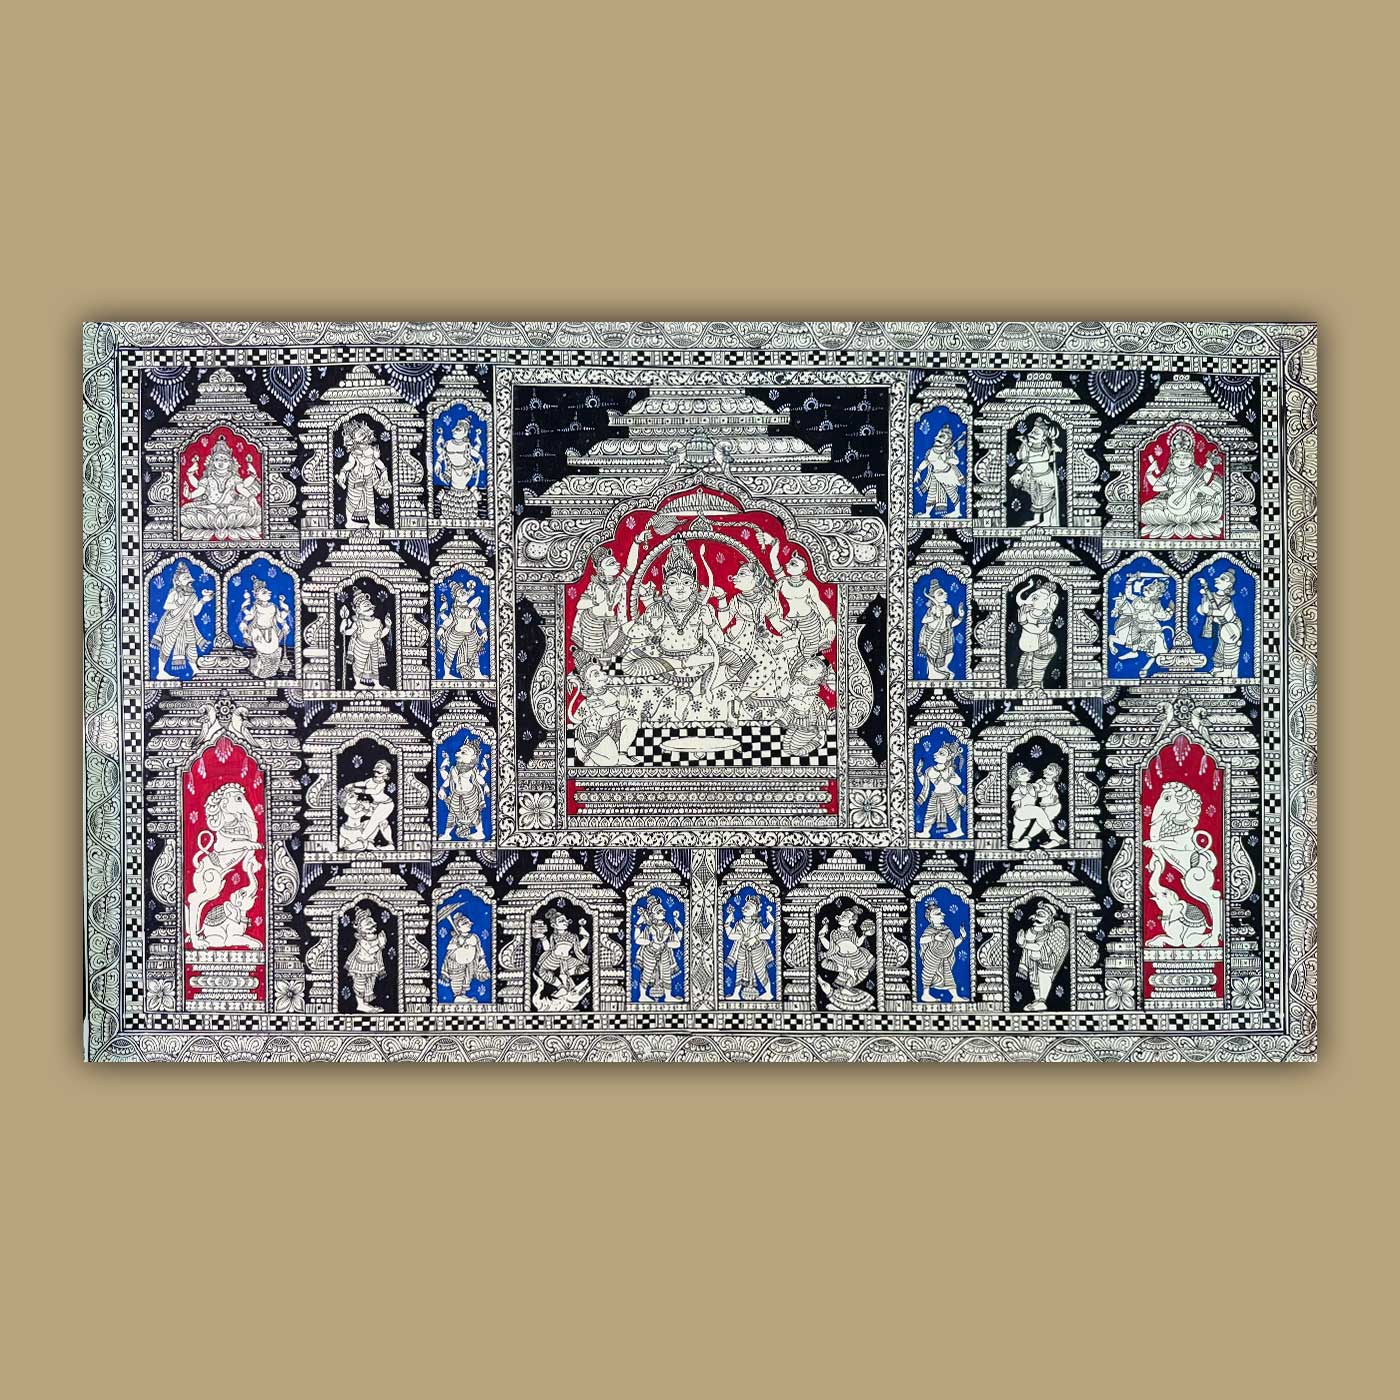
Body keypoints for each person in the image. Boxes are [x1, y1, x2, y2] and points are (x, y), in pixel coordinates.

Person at [1141, 425, 1224, 537]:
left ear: (1192, 460)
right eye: (1178, 457)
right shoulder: (1170, 476)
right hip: (1172, 504)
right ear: (1172, 459)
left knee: (1209, 507)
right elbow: (1155, 487)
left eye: (1186, 457)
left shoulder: (1194, 475)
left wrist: (1215, 494)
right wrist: (1167, 486)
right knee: (1146, 509)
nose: (1182, 461)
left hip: (1193, 505)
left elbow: (1202, 487)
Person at [181, 434, 260, 537]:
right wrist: (190, 495)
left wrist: (250, 497)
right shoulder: (209, 478)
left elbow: (241, 488)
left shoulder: (234, 478)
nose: (221, 462)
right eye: (217, 459)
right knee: (185, 510)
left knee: (256, 510)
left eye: (224, 460)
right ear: (212, 462)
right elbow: (200, 490)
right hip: (211, 508)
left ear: (230, 463)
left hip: (231, 508)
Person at [571, 660, 637, 766]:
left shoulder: (610, 692)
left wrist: (623, 700)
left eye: (601, 671)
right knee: (612, 761)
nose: (603, 673)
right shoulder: (591, 698)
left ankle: (622, 755)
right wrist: (620, 706)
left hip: (608, 729)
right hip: (592, 735)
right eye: (596, 674)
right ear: (588, 683)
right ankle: (584, 750)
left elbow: (616, 713)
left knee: (631, 723)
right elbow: (603, 712)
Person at [152, 562, 212, 679]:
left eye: (190, 579)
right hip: (173, 622)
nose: (190, 581)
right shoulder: (174, 593)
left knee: (191, 646)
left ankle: (195, 669)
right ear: (178, 582)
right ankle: (161, 672)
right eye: (186, 579)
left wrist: (203, 601)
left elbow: (195, 612)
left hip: (187, 623)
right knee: (167, 646)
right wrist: (179, 604)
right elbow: (166, 606)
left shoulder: (193, 596)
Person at [1109, 574, 1173, 677]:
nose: (1146, 588)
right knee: (1131, 629)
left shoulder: (1155, 605)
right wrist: (1130, 581)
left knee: (1156, 653)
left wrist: (1169, 611)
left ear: (1156, 594)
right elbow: (1129, 595)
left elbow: (1163, 616)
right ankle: (1133, 651)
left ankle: (1146, 666)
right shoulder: (1137, 599)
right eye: (1147, 587)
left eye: (1151, 589)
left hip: (1151, 628)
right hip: (1136, 623)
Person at [818, 907, 876, 1011]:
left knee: (863, 971)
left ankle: (848, 986)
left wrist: (864, 935)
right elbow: (830, 947)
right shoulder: (834, 933)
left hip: (856, 957)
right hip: (841, 958)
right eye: (841, 916)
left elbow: (857, 943)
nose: (841, 917)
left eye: (845, 916)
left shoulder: (852, 932)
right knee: (842, 975)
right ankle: (844, 991)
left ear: (852, 921)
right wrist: (822, 937)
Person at [337, 419, 392, 527]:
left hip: (369, 479)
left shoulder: (373, 450)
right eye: (360, 439)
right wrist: (343, 472)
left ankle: (372, 523)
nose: (364, 441)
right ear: (354, 441)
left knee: (370, 502)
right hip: (356, 479)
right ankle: (349, 522)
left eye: (365, 437)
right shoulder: (354, 453)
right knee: (353, 500)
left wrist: (384, 471)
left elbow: (377, 462)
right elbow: (350, 464)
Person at [532, 910, 590, 1010]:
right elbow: (548, 949)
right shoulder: (553, 936)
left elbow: (578, 948)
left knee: (585, 967)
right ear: (554, 925)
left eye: (565, 920)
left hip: (567, 959)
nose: (565, 922)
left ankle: (566, 974)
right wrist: (543, 938)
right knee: (543, 972)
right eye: (561, 921)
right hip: (554, 958)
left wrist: (586, 937)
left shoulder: (573, 936)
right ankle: (561, 987)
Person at [1017, 901, 1068, 1011]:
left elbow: (1037, 946)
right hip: (1033, 961)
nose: (1036, 917)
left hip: (1046, 961)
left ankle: (1042, 1000)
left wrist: (1024, 944)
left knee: (1043, 980)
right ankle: (1037, 1000)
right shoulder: (1032, 930)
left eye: (1041, 915)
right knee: (1034, 981)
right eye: (1037, 914)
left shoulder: (1046, 933)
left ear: (1048, 920)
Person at [1009, 416, 1060, 527]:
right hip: (1034, 479)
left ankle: (1046, 521)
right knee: (1036, 501)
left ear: (1044, 437)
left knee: (1046, 500)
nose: (1031, 434)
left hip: (1045, 479)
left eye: (1036, 433)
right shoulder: (1028, 447)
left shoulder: (1046, 448)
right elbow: (1023, 460)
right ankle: (1036, 519)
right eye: (1032, 432)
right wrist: (1018, 473)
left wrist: (1056, 449)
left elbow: (1044, 458)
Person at [239, 575, 292, 679]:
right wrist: (244, 632)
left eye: (267, 591)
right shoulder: (256, 607)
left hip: (272, 632)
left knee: (274, 654)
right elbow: (247, 619)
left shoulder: (273, 606)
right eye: (264, 592)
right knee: (263, 653)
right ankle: (259, 670)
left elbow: (279, 619)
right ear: (257, 596)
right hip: (258, 633)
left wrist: (285, 625)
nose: (268, 593)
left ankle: (269, 672)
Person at [339, 588, 392, 690]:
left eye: (369, 605)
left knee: (374, 668)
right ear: (358, 610)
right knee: (359, 666)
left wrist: (388, 627)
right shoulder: (357, 623)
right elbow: (349, 632)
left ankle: (377, 685)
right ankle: (358, 684)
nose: (369, 607)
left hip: (374, 647)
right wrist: (343, 629)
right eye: (365, 606)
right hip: (360, 647)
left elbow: (380, 635)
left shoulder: (377, 622)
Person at [725, 895, 774, 1001]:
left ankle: (769, 993)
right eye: (744, 906)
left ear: (755, 911)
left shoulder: (757, 925)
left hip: (757, 951)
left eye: (748, 907)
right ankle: (736, 994)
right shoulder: (739, 924)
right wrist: (727, 925)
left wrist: (755, 938)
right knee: (739, 972)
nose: (744, 908)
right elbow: (731, 936)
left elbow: (767, 935)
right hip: (742, 951)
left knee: (761, 972)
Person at [339, 758, 396, 850]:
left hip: (385, 804)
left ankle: (361, 841)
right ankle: (388, 844)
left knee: (374, 821)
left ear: (386, 771)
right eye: (377, 767)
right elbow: (364, 783)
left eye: (381, 768)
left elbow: (374, 791)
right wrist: (352, 784)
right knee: (382, 822)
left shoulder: (382, 783)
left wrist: (357, 790)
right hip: (376, 804)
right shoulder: (370, 780)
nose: (378, 769)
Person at [634, 895, 682, 1002]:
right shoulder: (649, 928)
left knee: (666, 974)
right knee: (647, 973)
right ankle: (642, 996)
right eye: (659, 911)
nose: (663, 912)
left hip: (664, 952)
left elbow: (677, 942)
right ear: (653, 915)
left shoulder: (668, 927)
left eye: (663, 910)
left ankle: (668, 996)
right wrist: (646, 939)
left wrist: (669, 944)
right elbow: (638, 940)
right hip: (650, 952)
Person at [1196, 569, 1243, 677]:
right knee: (1219, 648)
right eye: (1218, 578)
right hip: (1219, 627)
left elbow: (1220, 612)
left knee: (1229, 648)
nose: (1217, 579)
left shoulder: (1227, 599)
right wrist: (1204, 597)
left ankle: (1227, 671)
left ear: (1229, 585)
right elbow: (1203, 609)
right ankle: (1218, 668)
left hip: (1232, 627)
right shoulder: (1211, 595)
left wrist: (1209, 612)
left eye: (1222, 579)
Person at [437, 580, 488, 680]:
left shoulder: (473, 609)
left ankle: (477, 674)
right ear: (456, 598)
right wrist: (442, 629)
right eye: (461, 593)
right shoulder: (455, 609)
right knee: (450, 654)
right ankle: (446, 675)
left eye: (464, 592)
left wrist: (484, 632)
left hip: (471, 635)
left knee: (474, 655)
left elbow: (479, 618)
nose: (464, 593)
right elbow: (449, 621)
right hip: (456, 635)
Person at [914, 421, 965, 519]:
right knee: (931, 495)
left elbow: (956, 461)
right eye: (938, 436)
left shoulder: (948, 451)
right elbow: (926, 462)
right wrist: (918, 472)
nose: (937, 438)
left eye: (942, 437)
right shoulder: (931, 451)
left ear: (948, 441)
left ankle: (957, 512)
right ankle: (927, 513)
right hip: (935, 475)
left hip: (947, 474)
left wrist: (947, 459)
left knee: (952, 493)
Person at [1013, 580, 1059, 688]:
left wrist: (1023, 622)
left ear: (1050, 601)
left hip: (1045, 647)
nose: (1030, 601)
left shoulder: (1046, 615)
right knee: (1022, 671)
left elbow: (1038, 630)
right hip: (1029, 649)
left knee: (1037, 673)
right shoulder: (1029, 612)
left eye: (1035, 598)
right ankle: (1025, 686)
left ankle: (1036, 687)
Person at [439, 739, 487, 840]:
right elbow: (448, 780)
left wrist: (485, 786)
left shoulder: (472, 770)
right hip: (456, 794)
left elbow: (479, 779)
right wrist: (442, 789)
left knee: (474, 814)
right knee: (452, 813)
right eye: (460, 751)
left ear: (472, 757)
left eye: (464, 752)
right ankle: (447, 834)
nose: (458, 753)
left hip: (471, 795)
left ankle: (480, 832)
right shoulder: (453, 769)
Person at [916, 740, 965, 839]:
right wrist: (919, 773)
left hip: (949, 795)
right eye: (937, 752)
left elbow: (959, 781)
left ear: (948, 758)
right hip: (935, 795)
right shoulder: (929, 770)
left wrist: (948, 778)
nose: (936, 754)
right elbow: (925, 784)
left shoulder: (949, 770)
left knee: (954, 813)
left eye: (941, 753)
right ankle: (926, 832)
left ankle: (959, 830)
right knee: (930, 814)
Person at [919, 901, 966, 1002]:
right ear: (930, 918)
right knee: (928, 974)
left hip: (944, 958)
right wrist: (934, 937)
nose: (942, 914)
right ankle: (925, 995)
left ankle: (955, 996)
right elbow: (922, 940)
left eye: (941, 912)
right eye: (938, 913)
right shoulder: (929, 930)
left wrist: (962, 938)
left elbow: (951, 945)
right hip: (932, 957)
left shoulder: (946, 929)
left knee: (948, 976)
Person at [439, 911, 490, 1002]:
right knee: (457, 981)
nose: (468, 925)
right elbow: (448, 947)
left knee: (467, 980)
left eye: (468, 923)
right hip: (457, 964)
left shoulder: (474, 937)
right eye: (464, 924)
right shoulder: (456, 938)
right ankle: (457, 996)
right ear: (458, 928)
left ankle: (462, 995)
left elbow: (479, 948)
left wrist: (482, 959)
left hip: (470, 964)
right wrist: (457, 945)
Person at [917, 578, 962, 680]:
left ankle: (943, 669)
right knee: (932, 655)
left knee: (949, 654)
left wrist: (960, 617)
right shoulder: (933, 609)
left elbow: (951, 624)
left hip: (945, 635)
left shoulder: (949, 608)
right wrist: (934, 617)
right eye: (940, 593)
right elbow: (924, 620)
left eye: (944, 592)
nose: (945, 594)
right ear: (934, 598)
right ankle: (932, 673)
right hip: (932, 636)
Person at [345, 906, 387, 1011]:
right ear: (360, 929)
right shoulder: (362, 941)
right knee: (360, 985)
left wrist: (381, 968)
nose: (372, 928)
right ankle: (360, 1004)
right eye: (368, 927)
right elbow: (369, 950)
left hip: (372, 965)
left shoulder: (376, 939)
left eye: (372, 926)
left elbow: (379, 955)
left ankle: (365, 1004)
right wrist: (381, 945)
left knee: (370, 985)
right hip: (360, 965)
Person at [435, 415, 487, 492]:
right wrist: (438, 463)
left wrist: (480, 460)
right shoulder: (448, 444)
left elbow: (474, 453)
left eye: (458, 429)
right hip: (452, 471)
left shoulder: (466, 445)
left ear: (465, 433)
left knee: (462, 488)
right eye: (454, 429)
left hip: (466, 470)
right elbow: (443, 454)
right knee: (454, 488)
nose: (453, 431)